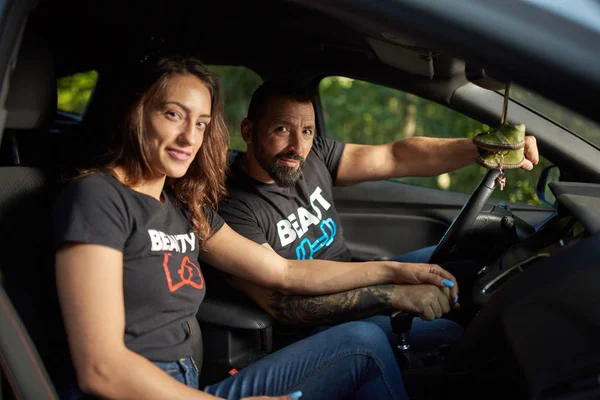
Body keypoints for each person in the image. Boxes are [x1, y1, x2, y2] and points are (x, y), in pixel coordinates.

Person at [52, 55, 459, 400]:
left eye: (201, 123)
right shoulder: (98, 196)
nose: (187, 137)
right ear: (138, 112)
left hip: (188, 385)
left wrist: (396, 271)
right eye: (174, 114)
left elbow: (283, 270)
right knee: (364, 345)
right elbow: (100, 369)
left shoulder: (183, 204)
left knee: (421, 312)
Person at [217, 79, 540, 352]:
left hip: (354, 281)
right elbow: (285, 307)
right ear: (248, 131)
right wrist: (392, 292)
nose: (297, 146)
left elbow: (396, 157)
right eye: (281, 129)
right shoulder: (232, 206)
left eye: (306, 131)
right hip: (315, 327)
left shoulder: (314, 155)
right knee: (453, 336)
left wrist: (483, 148)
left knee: (468, 257)